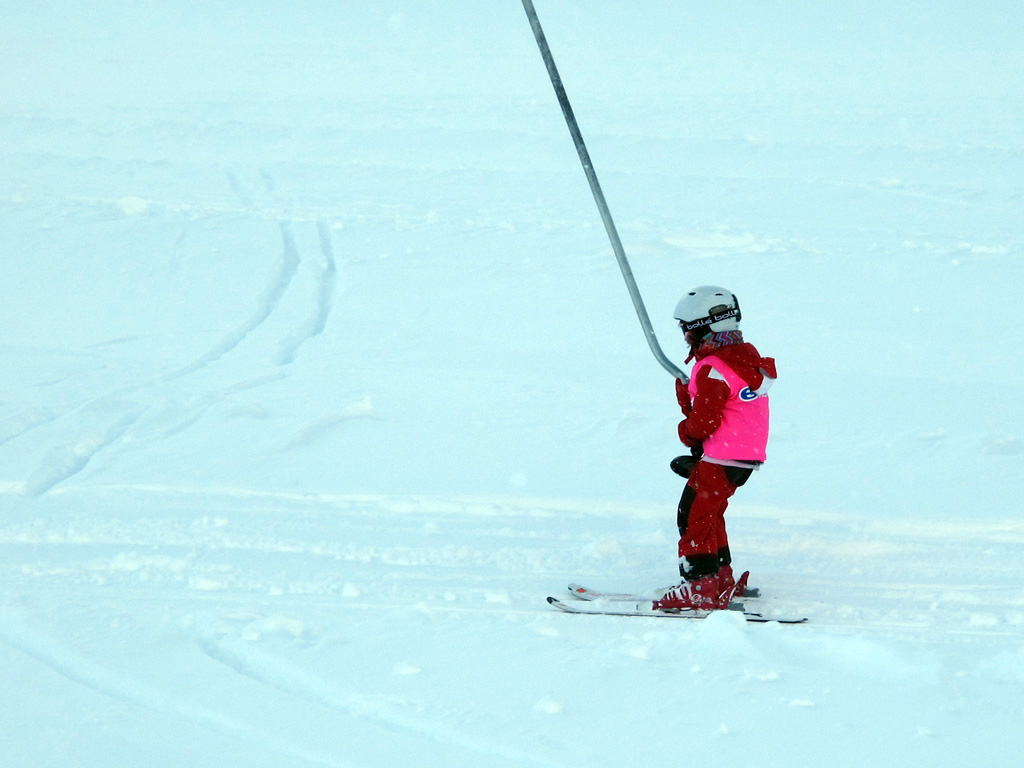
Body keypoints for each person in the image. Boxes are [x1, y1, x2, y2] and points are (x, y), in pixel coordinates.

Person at [654, 286, 776, 611]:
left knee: (692, 516)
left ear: (705, 327)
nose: (685, 337)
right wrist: (687, 396)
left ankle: (699, 586)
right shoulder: (742, 359)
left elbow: (703, 423)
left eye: (687, 329)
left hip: (721, 456)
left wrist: (686, 431)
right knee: (710, 515)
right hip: (743, 457)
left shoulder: (713, 368)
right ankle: (720, 578)